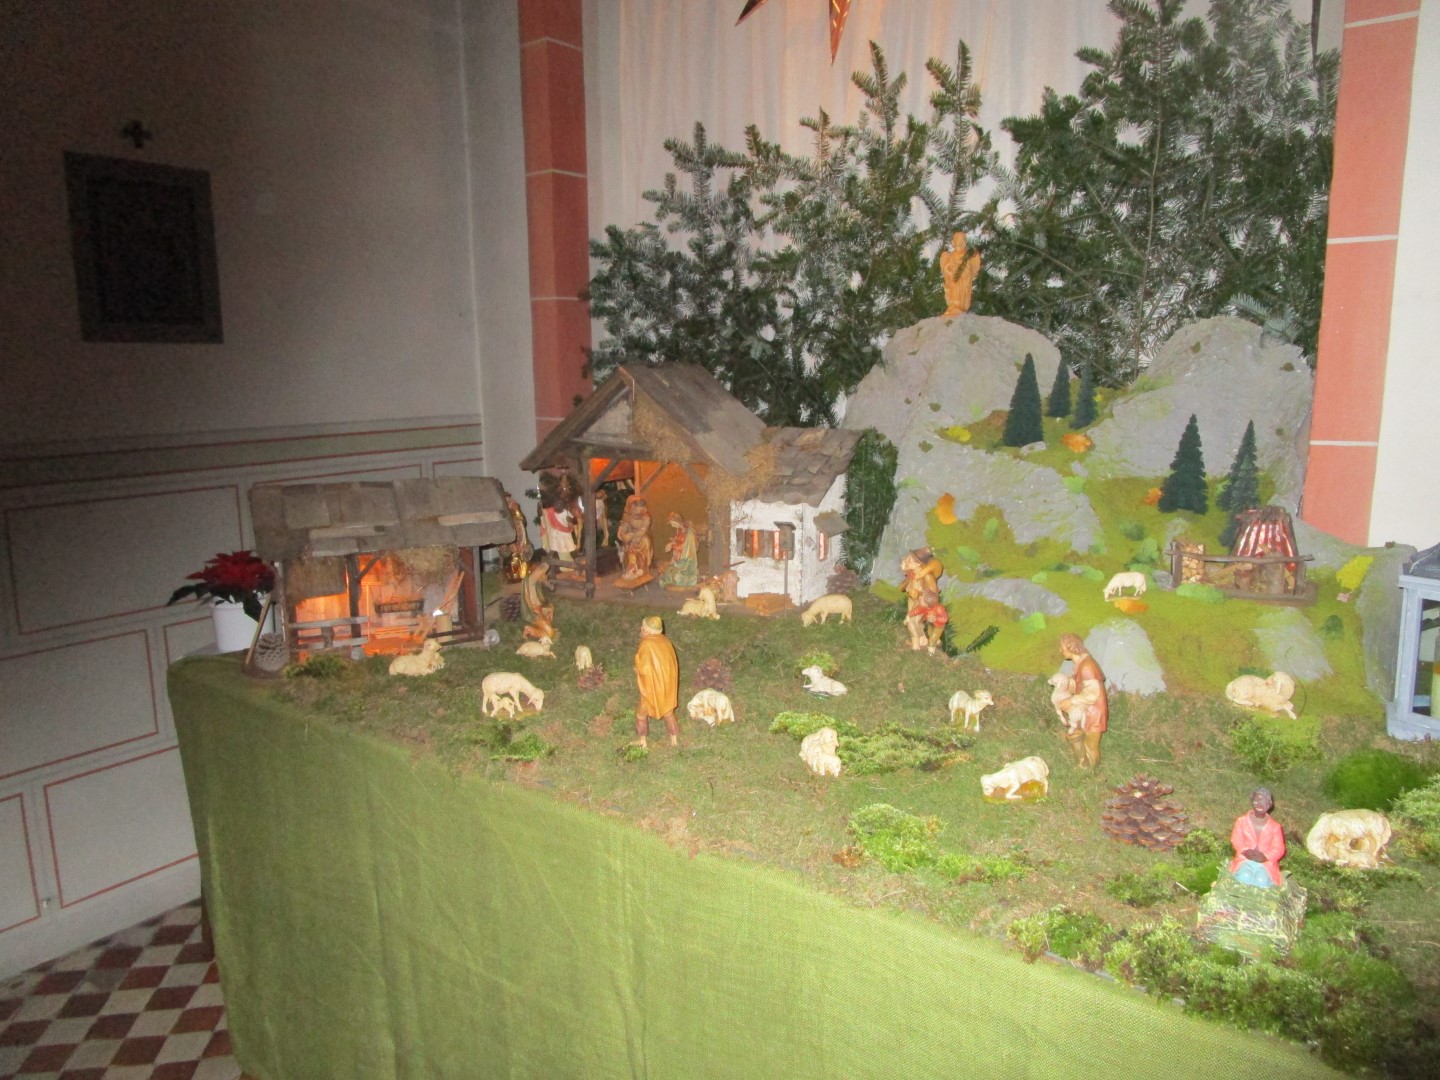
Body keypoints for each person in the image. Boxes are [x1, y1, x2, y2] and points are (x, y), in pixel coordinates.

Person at [1056, 633, 1107, 768]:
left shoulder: (1087, 666)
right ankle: (1082, 764)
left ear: (1071, 647)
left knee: (1090, 744)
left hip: (1093, 712)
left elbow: (1092, 693)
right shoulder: (1080, 663)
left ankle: (1091, 769)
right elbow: (1081, 685)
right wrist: (1066, 683)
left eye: (1062, 647)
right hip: (1084, 710)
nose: (1060, 650)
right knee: (1075, 735)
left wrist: (1071, 701)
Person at [633, 615, 679, 748]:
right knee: (669, 713)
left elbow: (644, 668)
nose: (641, 629)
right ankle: (674, 740)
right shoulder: (666, 642)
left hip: (651, 688)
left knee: (641, 714)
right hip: (667, 687)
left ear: (646, 630)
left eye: (642, 627)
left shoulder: (646, 644)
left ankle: (643, 742)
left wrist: (637, 668)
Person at [1229, 787, 1286, 888]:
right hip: (1244, 859)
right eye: (1257, 801)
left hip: (1266, 864)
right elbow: (1236, 839)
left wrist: (1266, 856)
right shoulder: (1241, 821)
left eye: (1264, 802)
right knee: (1244, 876)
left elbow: (1279, 848)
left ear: (1269, 805)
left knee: (1261, 880)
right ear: (1252, 802)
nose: (1260, 804)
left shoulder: (1275, 827)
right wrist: (1245, 851)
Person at [939, 230, 981, 316]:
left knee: (960, 291)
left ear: (964, 242)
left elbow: (970, 268)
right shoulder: (950, 255)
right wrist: (948, 270)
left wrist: (962, 270)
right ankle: (952, 306)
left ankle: (959, 306)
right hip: (952, 279)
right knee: (953, 290)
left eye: (961, 239)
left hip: (963, 280)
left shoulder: (968, 255)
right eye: (956, 239)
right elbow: (946, 268)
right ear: (953, 242)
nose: (959, 240)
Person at [617, 495, 654, 581]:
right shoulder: (628, 515)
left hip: (641, 537)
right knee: (629, 547)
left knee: (645, 541)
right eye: (637, 509)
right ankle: (631, 569)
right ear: (633, 507)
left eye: (641, 509)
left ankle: (642, 569)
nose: (639, 511)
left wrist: (632, 535)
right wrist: (621, 531)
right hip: (631, 538)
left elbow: (643, 530)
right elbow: (625, 524)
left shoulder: (646, 517)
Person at [658, 513, 699, 589]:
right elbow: (678, 541)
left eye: (672, 523)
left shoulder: (689, 533)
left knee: (676, 576)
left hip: (685, 563)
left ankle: (685, 579)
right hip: (678, 560)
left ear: (677, 521)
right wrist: (672, 542)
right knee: (662, 568)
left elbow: (686, 547)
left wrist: (672, 546)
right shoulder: (679, 530)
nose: (672, 525)